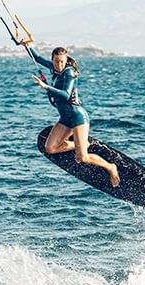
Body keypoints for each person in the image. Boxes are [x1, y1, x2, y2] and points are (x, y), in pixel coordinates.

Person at [27, 45, 120, 187]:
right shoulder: (53, 69)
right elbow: (38, 58)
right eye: (56, 61)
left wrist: (46, 87)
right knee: (50, 148)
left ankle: (110, 167)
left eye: (62, 61)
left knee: (83, 157)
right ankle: (80, 144)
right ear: (52, 60)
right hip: (65, 119)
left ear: (66, 60)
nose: (59, 65)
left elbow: (66, 94)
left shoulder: (69, 73)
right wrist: (26, 45)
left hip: (77, 117)